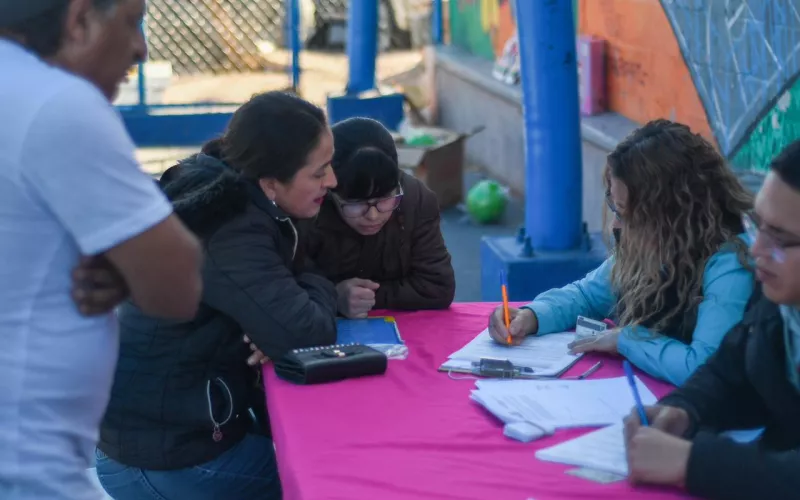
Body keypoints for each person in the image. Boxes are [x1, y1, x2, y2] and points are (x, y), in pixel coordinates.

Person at [0, 1, 203, 498]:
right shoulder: (56, 103)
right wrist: (133, 264)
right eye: (131, 21)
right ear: (80, 19)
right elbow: (177, 287)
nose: (141, 48)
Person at [94, 91, 339, 500]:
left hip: (162, 432)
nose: (332, 182)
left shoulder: (224, 188)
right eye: (319, 173)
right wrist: (317, 288)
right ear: (270, 182)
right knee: (325, 479)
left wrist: (282, 309)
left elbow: (286, 315)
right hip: (162, 458)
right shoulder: (230, 228)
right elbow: (305, 334)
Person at [488, 119, 755, 386]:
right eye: (615, 209)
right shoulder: (658, 245)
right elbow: (586, 296)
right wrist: (531, 316)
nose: (616, 225)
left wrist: (627, 339)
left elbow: (704, 367)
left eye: (626, 213)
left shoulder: (730, 262)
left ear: (671, 215)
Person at [623, 141, 800, 499]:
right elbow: (733, 370)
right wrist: (684, 409)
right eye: (757, 225)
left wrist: (694, 463)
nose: (756, 250)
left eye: (779, 238)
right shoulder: (779, 299)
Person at [306, 117, 455, 318]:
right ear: (332, 190)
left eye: (384, 199)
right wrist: (333, 296)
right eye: (356, 203)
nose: (373, 216)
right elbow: (281, 289)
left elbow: (438, 286)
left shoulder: (416, 200)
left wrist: (367, 297)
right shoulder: (309, 207)